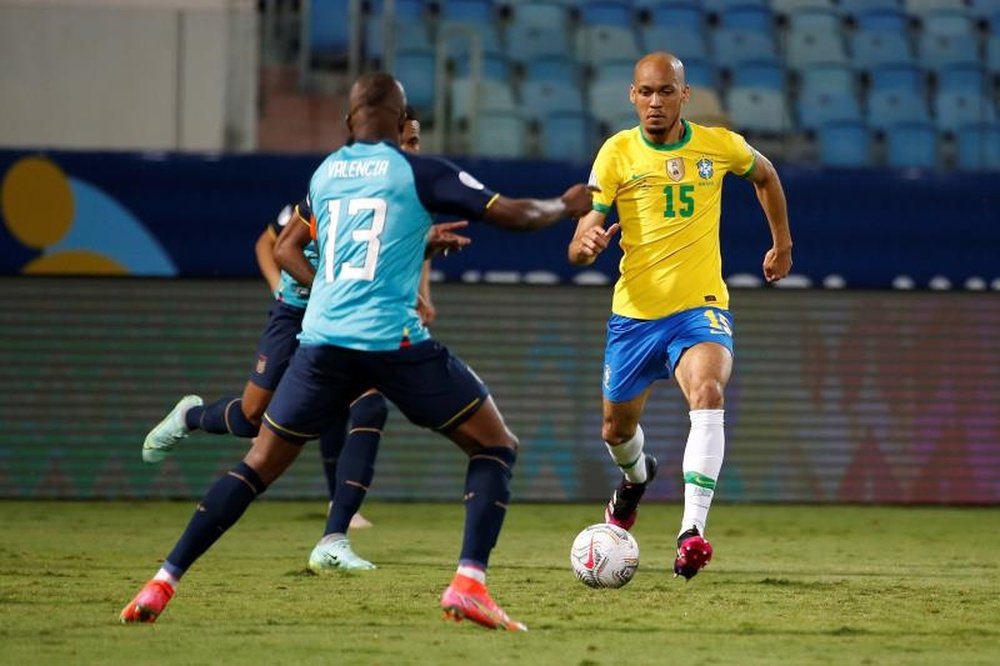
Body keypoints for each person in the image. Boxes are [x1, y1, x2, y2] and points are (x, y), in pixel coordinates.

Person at [121, 71, 594, 630]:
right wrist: (565, 205)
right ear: (402, 124)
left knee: (257, 465)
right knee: (495, 446)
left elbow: (293, 245)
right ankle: (469, 582)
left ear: (349, 123)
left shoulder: (324, 175)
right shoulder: (419, 171)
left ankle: (162, 583)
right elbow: (514, 215)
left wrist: (337, 290)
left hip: (321, 341)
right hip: (391, 343)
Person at [139, 109, 440, 570]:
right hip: (297, 313)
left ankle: (335, 537)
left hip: (350, 319)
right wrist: (291, 290)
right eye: (409, 141)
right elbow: (274, 243)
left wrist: (420, 292)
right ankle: (191, 415)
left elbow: (405, 247)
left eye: (418, 142)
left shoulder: (407, 194)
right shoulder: (332, 189)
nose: (415, 150)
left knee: (370, 404)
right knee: (252, 419)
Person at [567, 52, 793, 580]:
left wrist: (782, 244)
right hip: (635, 315)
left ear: (683, 96)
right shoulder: (617, 153)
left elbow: (766, 175)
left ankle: (691, 532)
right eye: (645, 92)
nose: (654, 101)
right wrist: (587, 245)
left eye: (666, 91)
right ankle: (635, 479)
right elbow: (579, 239)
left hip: (700, 309)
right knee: (615, 430)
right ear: (632, 95)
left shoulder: (718, 145)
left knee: (708, 392)